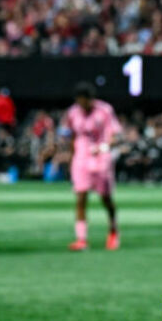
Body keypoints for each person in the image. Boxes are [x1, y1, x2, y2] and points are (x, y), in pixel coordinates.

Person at [59, 82, 122, 251]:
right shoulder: (73, 113)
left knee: (106, 198)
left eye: (84, 100)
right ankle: (81, 238)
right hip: (81, 157)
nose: (82, 104)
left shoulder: (105, 110)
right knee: (81, 196)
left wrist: (105, 147)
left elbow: (115, 135)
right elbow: (72, 136)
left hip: (101, 158)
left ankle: (113, 230)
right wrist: (71, 158)